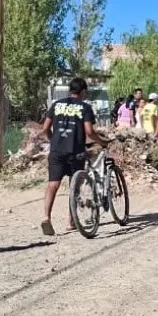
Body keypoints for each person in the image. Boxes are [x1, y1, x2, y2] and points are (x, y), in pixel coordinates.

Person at [41, 77, 108, 235]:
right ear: (83, 91)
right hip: (75, 152)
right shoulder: (85, 107)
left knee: (52, 185)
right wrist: (102, 142)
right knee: (74, 186)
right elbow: (90, 132)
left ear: (70, 90)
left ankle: (46, 217)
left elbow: (45, 129)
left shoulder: (56, 105)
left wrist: (54, 141)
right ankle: (70, 221)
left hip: (56, 151)